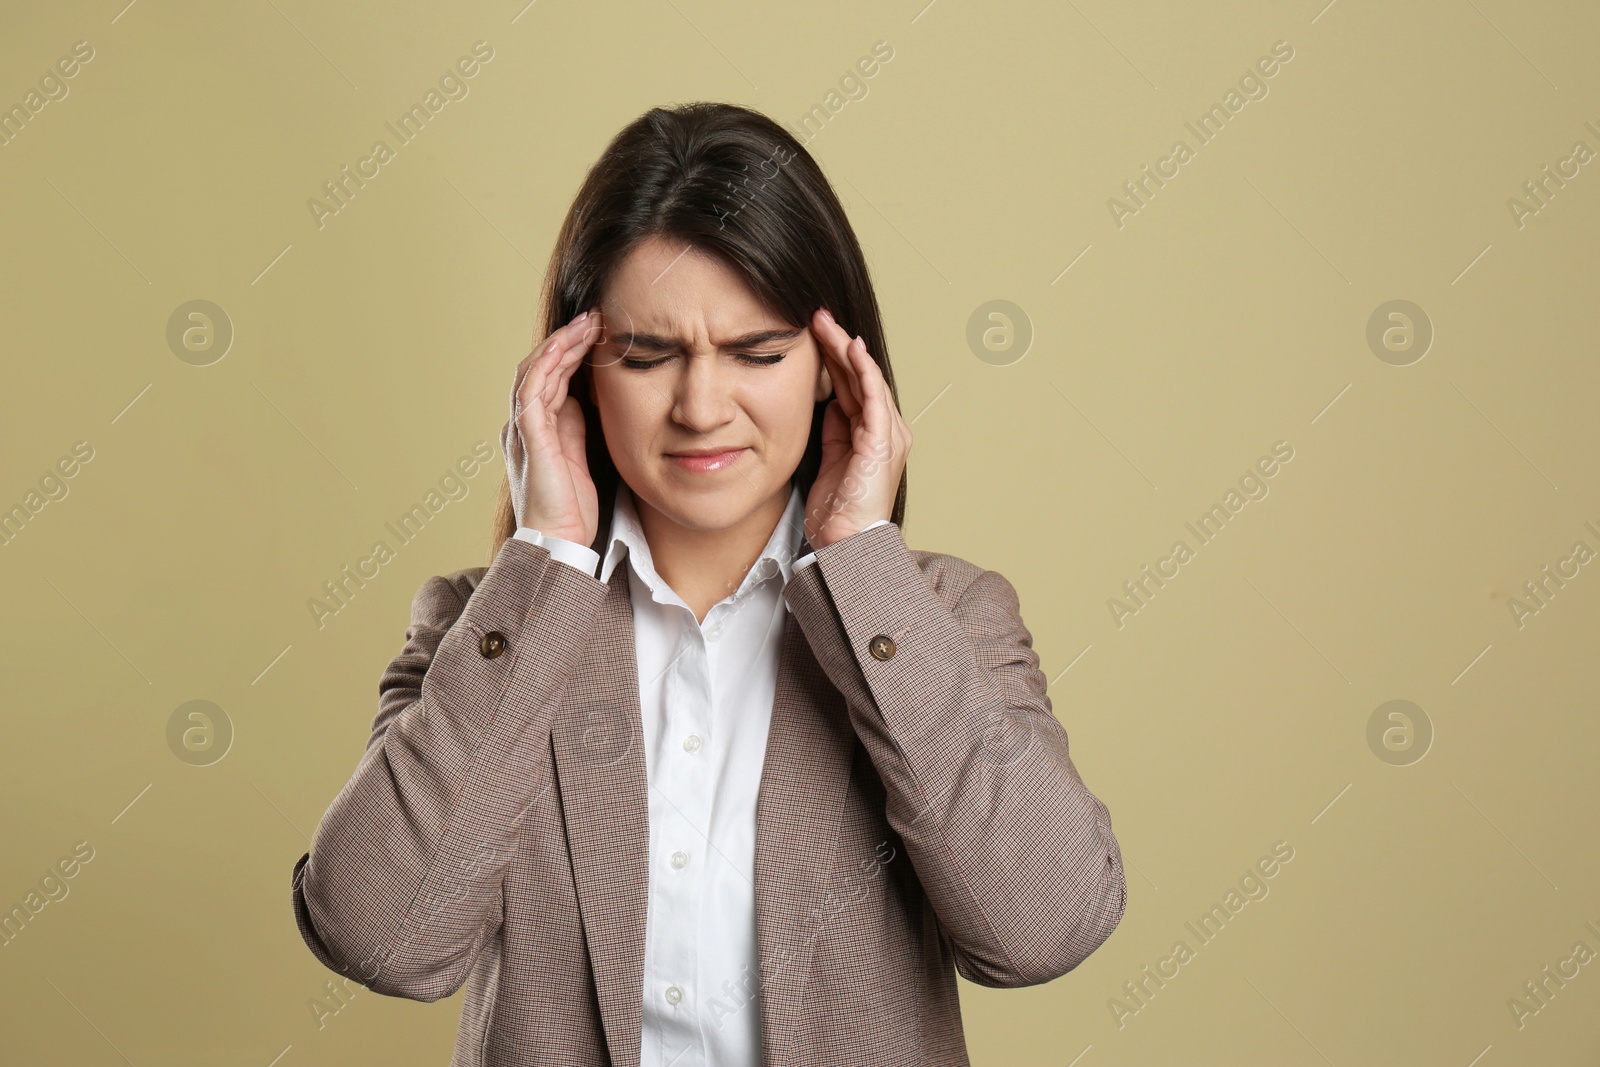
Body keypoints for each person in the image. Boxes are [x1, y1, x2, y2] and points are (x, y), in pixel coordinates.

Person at [290, 101, 1126, 1066]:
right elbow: (379, 937)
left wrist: (862, 559)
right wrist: (547, 554)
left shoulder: (945, 621)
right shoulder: (484, 630)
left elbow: (1046, 929)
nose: (698, 407)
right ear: (575, 376)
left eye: (757, 354)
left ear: (835, 370)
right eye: (646, 356)